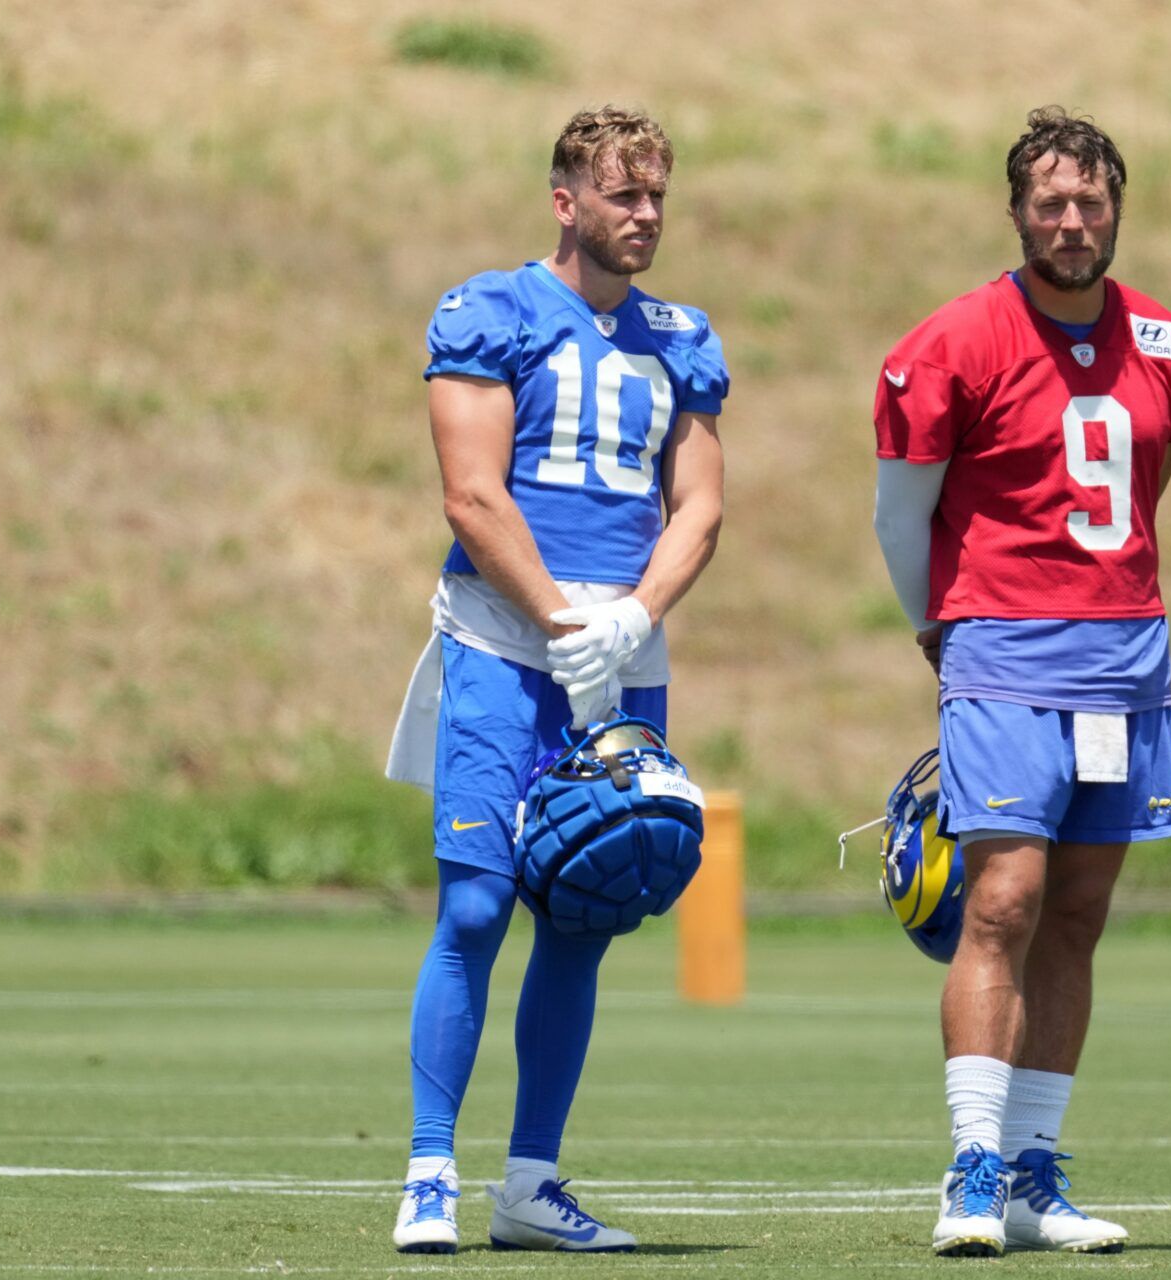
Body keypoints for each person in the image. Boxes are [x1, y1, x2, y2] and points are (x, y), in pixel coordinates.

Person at [382, 105, 727, 1255]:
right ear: (565, 199)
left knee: (584, 910)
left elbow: (702, 507)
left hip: (624, 656)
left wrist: (629, 617)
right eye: (623, 195)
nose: (645, 216)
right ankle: (431, 1165)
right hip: (501, 642)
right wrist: (558, 617)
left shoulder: (680, 336)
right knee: (476, 903)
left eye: (658, 197)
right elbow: (472, 493)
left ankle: (530, 1182)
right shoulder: (493, 310)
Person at [871, 106, 1171, 1257]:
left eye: (1091, 201)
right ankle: (970, 1164)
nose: (1072, 222)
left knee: (1078, 913)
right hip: (1003, 650)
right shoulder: (955, 338)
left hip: (1126, 658)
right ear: (1017, 211)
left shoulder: (1165, 338)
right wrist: (939, 625)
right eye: (1050, 203)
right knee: (1004, 898)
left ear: (1118, 205)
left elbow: (1148, 497)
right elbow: (899, 508)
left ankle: (1033, 1172)